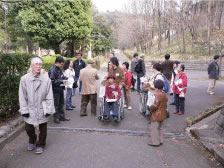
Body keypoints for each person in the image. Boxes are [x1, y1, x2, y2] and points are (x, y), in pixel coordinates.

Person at [19, 56, 55, 154]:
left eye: (40, 64)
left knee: (43, 128)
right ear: (31, 65)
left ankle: (41, 144)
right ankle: (32, 139)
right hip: (29, 108)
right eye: (36, 64)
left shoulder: (46, 79)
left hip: (42, 107)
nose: (38, 66)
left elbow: (49, 95)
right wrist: (24, 110)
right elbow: (22, 96)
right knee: (28, 128)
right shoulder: (24, 79)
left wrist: (48, 109)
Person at [49, 56, 70, 124]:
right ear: (57, 63)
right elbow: (52, 81)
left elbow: (61, 76)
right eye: (61, 64)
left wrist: (65, 78)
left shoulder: (59, 69)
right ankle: (56, 118)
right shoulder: (52, 70)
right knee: (56, 104)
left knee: (61, 103)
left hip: (60, 88)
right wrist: (61, 81)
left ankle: (62, 116)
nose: (62, 65)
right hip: (55, 90)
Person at [148, 80, 168, 147]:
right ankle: (161, 140)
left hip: (156, 114)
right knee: (161, 128)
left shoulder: (157, 94)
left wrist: (150, 107)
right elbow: (166, 100)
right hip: (163, 113)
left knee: (154, 129)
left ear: (156, 87)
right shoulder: (163, 93)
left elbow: (155, 105)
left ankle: (155, 142)